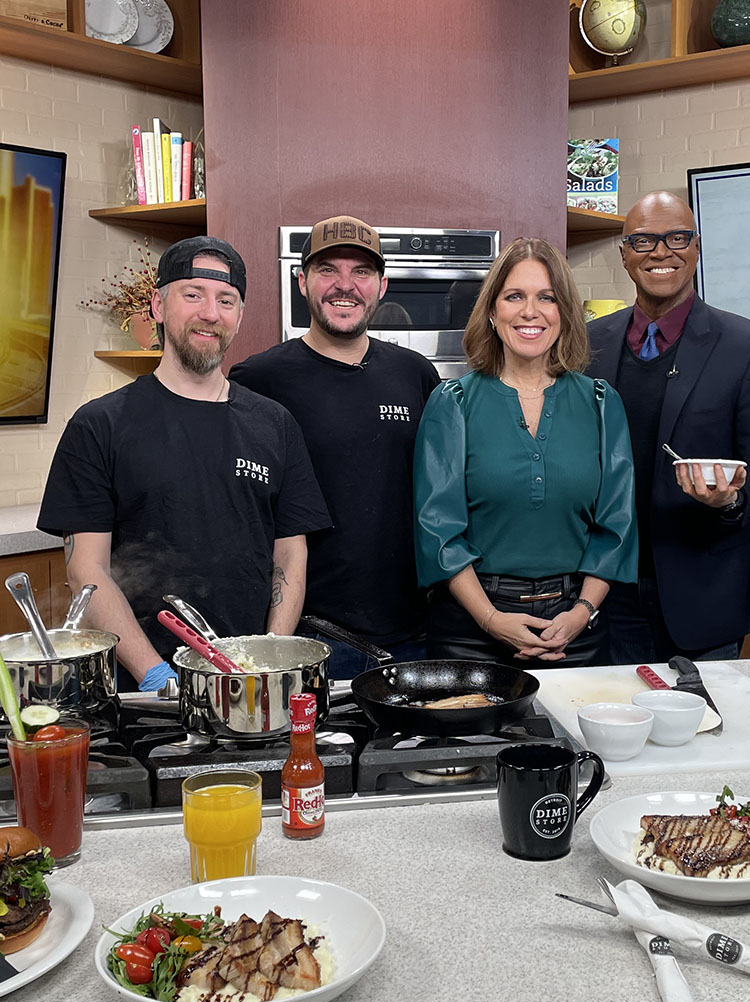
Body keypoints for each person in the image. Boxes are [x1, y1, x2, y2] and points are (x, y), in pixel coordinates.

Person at [38, 236, 331, 692]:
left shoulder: (275, 424)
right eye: (192, 295)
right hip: (144, 687)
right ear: (157, 305)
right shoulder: (100, 425)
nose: (210, 313)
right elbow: (86, 570)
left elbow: (290, 553)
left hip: (253, 683)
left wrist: (271, 657)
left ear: (239, 315)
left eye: (226, 300)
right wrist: (155, 675)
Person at [230, 216, 441, 678]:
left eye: (361, 272)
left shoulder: (415, 374)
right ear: (301, 281)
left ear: (382, 286)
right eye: (328, 270)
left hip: (415, 634)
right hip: (309, 637)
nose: (344, 285)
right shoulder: (258, 380)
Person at [587, 190, 750, 664]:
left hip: (707, 596)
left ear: (697, 248)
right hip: (605, 596)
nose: (662, 252)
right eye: (643, 241)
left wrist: (732, 496)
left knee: (707, 732)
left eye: (677, 237)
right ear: (624, 255)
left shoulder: (749, 347)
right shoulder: (589, 344)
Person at [413, 237, 637, 666]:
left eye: (546, 298)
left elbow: (617, 527)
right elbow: (437, 530)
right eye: (514, 296)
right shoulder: (454, 401)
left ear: (564, 313)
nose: (530, 312)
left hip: (576, 633)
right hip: (471, 633)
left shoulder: (601, 403)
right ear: (493, 312)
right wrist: (492, 618)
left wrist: (581, 614)